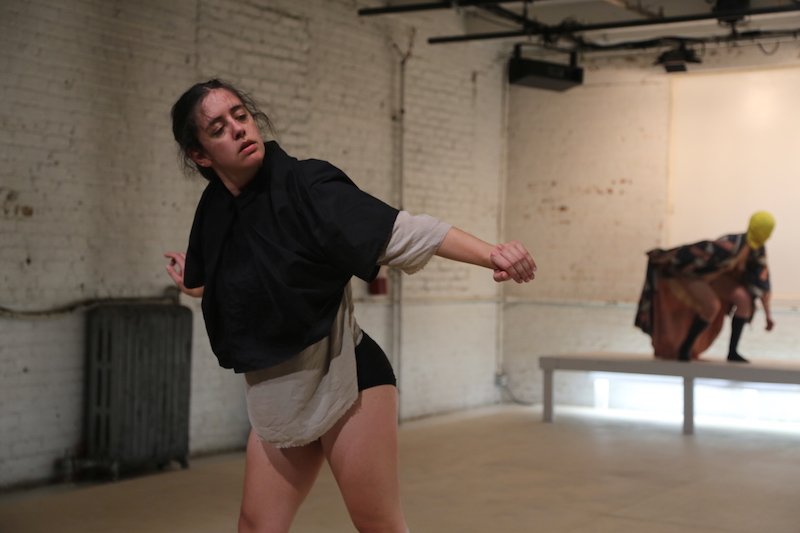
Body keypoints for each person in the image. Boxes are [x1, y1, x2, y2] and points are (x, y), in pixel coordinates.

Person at [164, 79, 536, 533]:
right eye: (219, 128)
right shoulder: (215, 210)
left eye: (241, 116)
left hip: (346, 374)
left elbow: (402, 230)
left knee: (377, 525)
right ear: (199, 154)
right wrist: (193, 284)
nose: (239, 130)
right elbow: (224, 284)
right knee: (256, 525)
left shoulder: (307, 185)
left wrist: (491, 254)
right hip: (278, 391)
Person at [635, 211, 775, 363]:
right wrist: (664, 258)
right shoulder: (729, 244)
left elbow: (762, 281)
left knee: (743, 299)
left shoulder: (757, 251)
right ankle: (685, 348)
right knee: (712, 305)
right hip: (693, 274)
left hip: (715, 277)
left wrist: (768, 315)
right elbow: (693, 254)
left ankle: (733, 351)